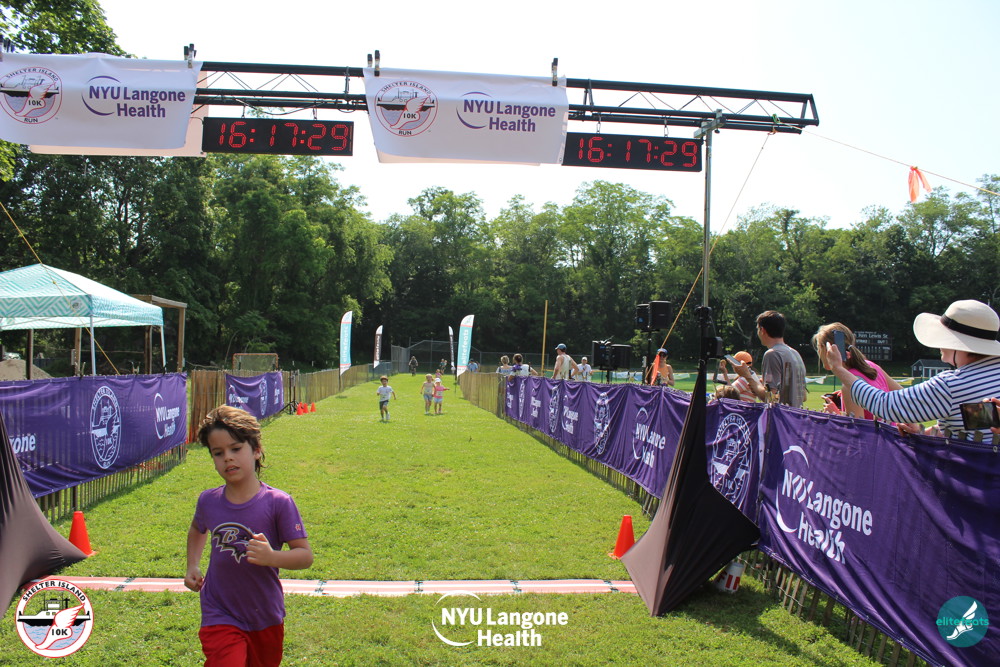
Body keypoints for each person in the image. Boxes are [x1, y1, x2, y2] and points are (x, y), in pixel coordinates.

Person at [185, 406, 313, 667]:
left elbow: (305, 556)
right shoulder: (208, 501)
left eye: (235, 449)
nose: (227, 458)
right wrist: (192, 565)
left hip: (264, 615)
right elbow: (197, 529)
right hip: (218, 611)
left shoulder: (278, 503)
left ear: (256, 450)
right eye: (218, 453)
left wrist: (271, 557)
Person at [826, 300, 1000, 443]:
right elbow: (976, 426)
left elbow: (884, 405)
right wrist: (923, 433)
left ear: (957, 344)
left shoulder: (952, 384)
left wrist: (839, 369)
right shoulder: (990, 378)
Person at [811, 323, 915, 426]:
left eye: (818, 347)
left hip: (879, 437)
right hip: (893, 433)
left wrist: (835, 415)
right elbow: (905, 399)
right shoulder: (871, 366)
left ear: (826, 349)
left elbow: (857, 431)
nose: (818, 352)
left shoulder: (849, 386)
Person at [733, 310, 807, 407]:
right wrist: (759, 387)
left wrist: (748, 377)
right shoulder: (795, 354)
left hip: (780, 415)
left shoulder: (772, 354)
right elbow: (803, 396)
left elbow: (771, 398)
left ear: (762, 330)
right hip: (795, 414)